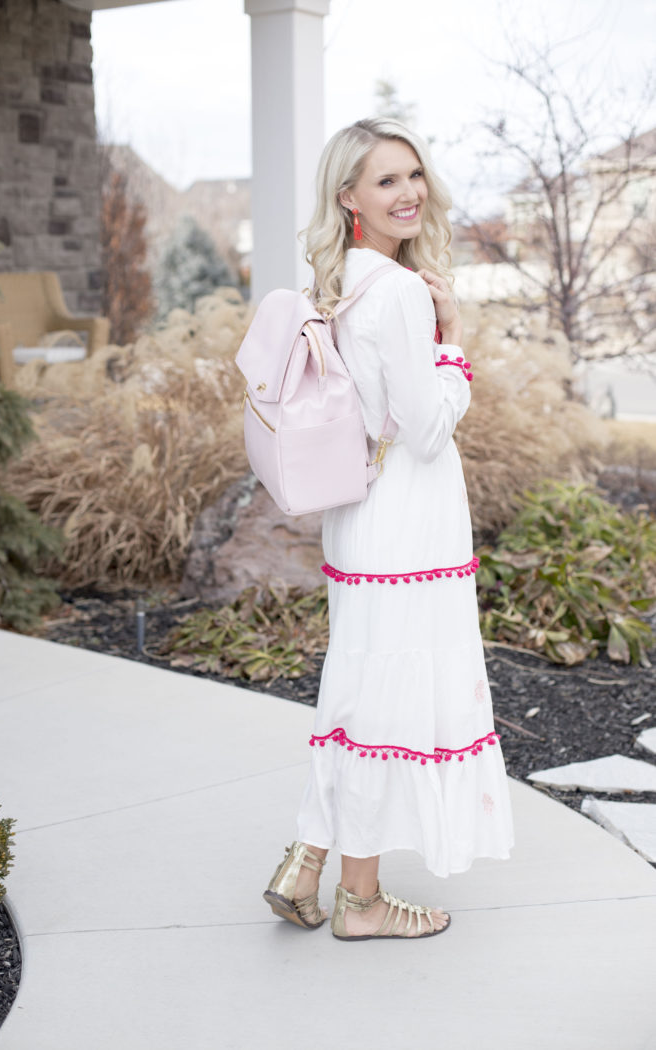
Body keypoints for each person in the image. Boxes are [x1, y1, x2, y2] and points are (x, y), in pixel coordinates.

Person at [263, 117, 514, 941]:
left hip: (360, 523)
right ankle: (362, 902)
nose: (408, 192)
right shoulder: (402, 293)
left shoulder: (340, 282)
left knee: (361, 690)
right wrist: (455, 344)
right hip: (410, 529)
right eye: (385, 181)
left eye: (413, 175)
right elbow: (427, 428)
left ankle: (308, 860)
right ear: (350, 197)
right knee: (389, 705)